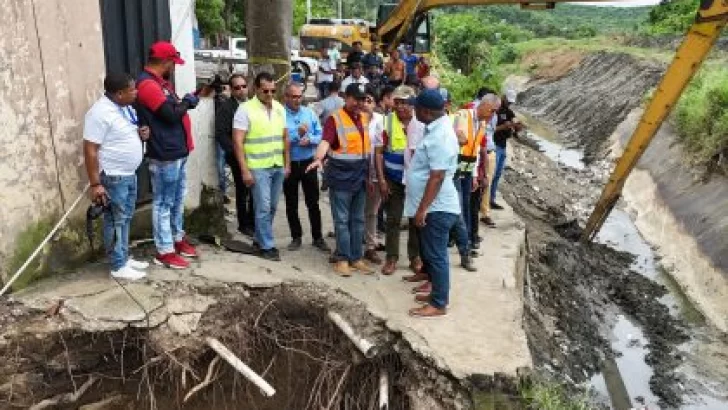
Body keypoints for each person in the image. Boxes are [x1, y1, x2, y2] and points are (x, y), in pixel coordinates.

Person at [136, 41, 199, 269]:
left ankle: (176, 238)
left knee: (177, 198)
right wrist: (188, 103)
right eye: (173, 62)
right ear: (165, 62)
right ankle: (164, 250)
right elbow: (170, 115)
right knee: (163, 202)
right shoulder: (148, 85)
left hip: (176, 150)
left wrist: (185, 102)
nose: (174, 67)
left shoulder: (161, 84)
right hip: (165, 153)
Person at [84, 73, 150, 280]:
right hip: (114, 177)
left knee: (126, 217)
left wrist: (141, 135)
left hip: (129, 174)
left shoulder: (124, 108)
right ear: (119, 93)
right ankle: (117, 265)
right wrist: (96, 184)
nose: (136, 92)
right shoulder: (99, 113)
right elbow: (90, 149)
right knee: (115, 220)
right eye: (132, 90)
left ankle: (123, 256)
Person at [306, 83, 373, 276]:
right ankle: (342, 258)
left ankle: (356, 258)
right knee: (342, 220)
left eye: (362, 99)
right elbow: (326, 141)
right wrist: (319, 158)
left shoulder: (364, 118)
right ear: (346, 97)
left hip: (360, 177)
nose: (359, 103)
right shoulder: (335, 119)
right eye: (355, 99)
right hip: (341, 178)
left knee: (358, 220)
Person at [405, 89, 461, 318]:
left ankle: (438, 303)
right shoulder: (437, 130)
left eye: (415, 107)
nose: (413, 110)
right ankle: (436, 295)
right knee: (431, 253)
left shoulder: (440, 136)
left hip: (437, 208)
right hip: (435, 206)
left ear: (426, 111)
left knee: (436, 255)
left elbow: (436, 176)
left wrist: (422, 209)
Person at [233, 72, 291, 261]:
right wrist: (244, 170)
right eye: (265, 90)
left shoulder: (279, 108)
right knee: (263, 206)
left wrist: (287, 163)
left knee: (272, 206)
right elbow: (237, 141)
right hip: (257, 166)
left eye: (273, 90)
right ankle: (267, 245)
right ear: (256, 89)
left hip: (277, 165)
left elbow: (285, 138)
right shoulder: (245, 110)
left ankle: (259, 238)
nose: (269, 94)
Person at [376, 85, 424, 276]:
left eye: (405, 103)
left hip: (415, 180)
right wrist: (381, 179)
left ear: (413, 104)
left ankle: (415, 256)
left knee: (415, 218)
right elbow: (378, 153)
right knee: (393, 218)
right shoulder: (385, 123)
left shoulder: (421, 124)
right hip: (393, 178)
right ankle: (391, 257)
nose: (401, 107)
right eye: (398, 103)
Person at [282, 83, 330, 252]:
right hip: (291, 163)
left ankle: (317, 237)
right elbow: (282, 138)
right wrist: (297, 135)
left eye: (299, 96)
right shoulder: (280, 115)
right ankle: (296, 237)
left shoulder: (309, 113)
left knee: (313, 202)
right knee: (291, 202)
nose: (297, 100)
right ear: (286, 97)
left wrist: (310, 139)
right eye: (293, 97)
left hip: (309, 162)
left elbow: (321, 135)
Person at [215, 73, 255, 237]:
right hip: (236, 155)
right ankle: (243, 224)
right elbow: (221, 134)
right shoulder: (227, 108)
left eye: (243, 86)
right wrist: (235, 151)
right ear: (231, 90)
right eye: (237, 87)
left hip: (254, 154)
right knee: (242, 190)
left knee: (255, 190)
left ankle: (253, 222)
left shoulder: (254, 105)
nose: (241, 90)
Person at [487, 90, 521, 220]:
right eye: (508, 101)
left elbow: (514, 122)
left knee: (497, 175)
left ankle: (491, 198)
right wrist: (503, 127)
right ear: (503, 97)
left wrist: (516, 127)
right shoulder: (495, 110)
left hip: (503, 146)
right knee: (490, 175)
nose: (510, 104)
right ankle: (484, 201)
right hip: (494, 146)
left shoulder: (509, 112)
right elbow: (489, 129)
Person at [361, 85, 384, 264]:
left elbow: (380, 150)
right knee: (354, 209)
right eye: (363, 100)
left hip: (375, 172)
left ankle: (370, 245)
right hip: (356, 171)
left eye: (369, 100)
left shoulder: (381, 120)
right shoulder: (352, 119)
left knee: (372, 210)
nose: (365, 104)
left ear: (375, 103)